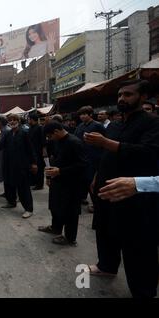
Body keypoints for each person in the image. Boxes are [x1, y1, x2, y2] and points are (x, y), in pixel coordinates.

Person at [84, 79, 159, 298]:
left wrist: (106, 143)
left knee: (137, 245)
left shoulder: (152, 123)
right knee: (105, 232)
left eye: (127, 94)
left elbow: (149, 154)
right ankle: (106, 266)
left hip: (135, 194)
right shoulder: (116, 125)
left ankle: (143, 291)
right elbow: (107, 157)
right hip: (107, 189)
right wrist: (97, 177)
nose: (121, 99)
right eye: (119, 95)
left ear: (143, 97)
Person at [39, 121, 88, 246]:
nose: (50, 139)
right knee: (55, 206)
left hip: (71, 183)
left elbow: (82, 165)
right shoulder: (57, 141)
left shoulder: (74, 142)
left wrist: (60, 171)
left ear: (56, 131)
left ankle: (70, 238)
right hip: (57, 180)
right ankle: (55, 228)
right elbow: (55, 158)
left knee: (70, 211)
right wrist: (49, 175)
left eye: (50, 136)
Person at [0, 114, 37, 219]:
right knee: (9, 184)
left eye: (14, 120)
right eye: (10, 120)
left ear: (18, 121)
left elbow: (31, 149)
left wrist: (34, 163)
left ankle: (28, 209)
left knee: (23, 188)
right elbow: (0, 145)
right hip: (9, 164)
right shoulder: (8, 133)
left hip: (22, 165)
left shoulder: (24, 133)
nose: (12, 122)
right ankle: (11, 202)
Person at [75, 106, 106, 210]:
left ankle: (96, 203)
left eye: (84, 114)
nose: (82, 116)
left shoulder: (98, 126)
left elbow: (105, 141)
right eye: (81, 114)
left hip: (94, 157)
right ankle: (82, 198)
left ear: (91, 114)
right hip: (82, 157)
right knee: (82, 180)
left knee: (92, 181)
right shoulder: (79, 126)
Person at [28, 113, 46, 190]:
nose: (28, 120)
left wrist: (44, 151)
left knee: (39, 169)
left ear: (32, 119)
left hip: (39, 151)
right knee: (33, 168)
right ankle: (34, 182)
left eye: (29, 119)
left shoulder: (40, 128)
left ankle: (39, 185)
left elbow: (43, 140)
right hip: (32, 152)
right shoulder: (30, 128)